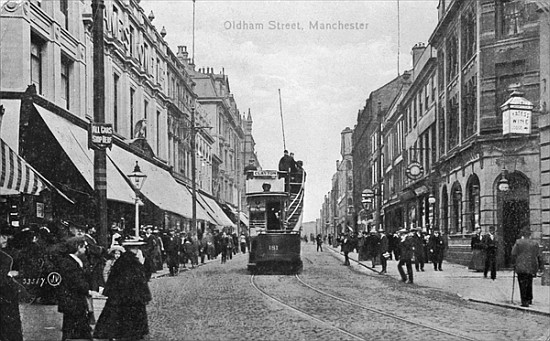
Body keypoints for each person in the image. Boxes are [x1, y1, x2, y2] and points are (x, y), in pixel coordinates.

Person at [93, 238, 152, 341]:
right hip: (132, 298)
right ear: (130, 248)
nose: (136, 249)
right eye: (134, 247)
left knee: (119, 322)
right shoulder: (132, 262)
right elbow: (139, 281)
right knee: (130, 325)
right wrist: (144, 295)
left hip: (121, 298)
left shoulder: (122, 261)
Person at [57, 236, 93, 341]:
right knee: (74, 325)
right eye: (84, 247)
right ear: (78, 247)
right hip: (73, 299)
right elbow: (76, 281)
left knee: (71, 325)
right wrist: (87, 290)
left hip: (72, 299)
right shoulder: (69, 263)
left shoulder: (72, 261)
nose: (85, 250)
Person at [0, 225, 23, 341]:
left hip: (7, 294)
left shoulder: (11, 255)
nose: (4, 239)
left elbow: (21, 271)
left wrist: (15, 274)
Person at [511, 227, 544, 307]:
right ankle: (529, 298)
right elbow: (538, 255)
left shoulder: (518, 242)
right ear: (530, 235)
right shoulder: (534, 243)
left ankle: (524, 301)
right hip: (531, 265)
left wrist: (514, 264)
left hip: (521, 265)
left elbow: (513, 253)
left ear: (523, 234)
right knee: (529, 282)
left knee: (522, 283)